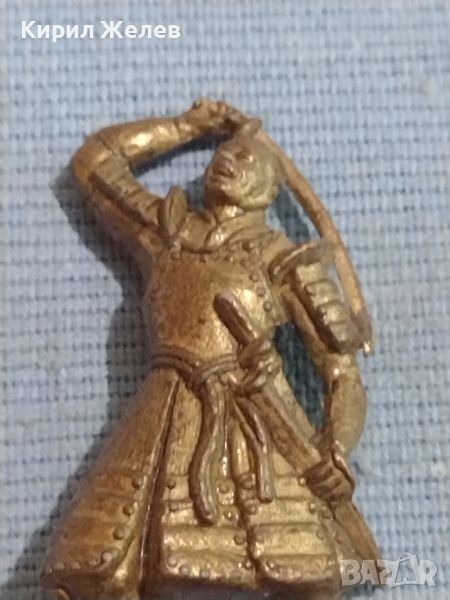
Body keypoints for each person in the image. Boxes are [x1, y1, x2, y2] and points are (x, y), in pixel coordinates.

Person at [42, 100, 377, 600]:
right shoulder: (167, 232)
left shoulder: (285, 262)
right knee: (94, 570)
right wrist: (186, 127)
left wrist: (336, 449)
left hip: (256, 416)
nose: (225, 161)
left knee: (303, 575)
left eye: (244, 159)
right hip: (158, 417)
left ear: (269, 187)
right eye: (221, 155)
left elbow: (341, 374)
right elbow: (94, 162)